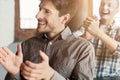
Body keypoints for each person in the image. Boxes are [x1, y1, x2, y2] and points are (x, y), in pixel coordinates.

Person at [0, 0, 95, 80]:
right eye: (40, 9)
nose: (37, 16)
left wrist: (51, 75)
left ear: (64, 18)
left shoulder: (83, 49)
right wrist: (16, 73)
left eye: (46, 11)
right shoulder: (26, 45)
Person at [81, 0, 120, 79]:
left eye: (109, 5)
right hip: (86, 77)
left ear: (117, 9)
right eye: (102, 4)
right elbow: (71, 47)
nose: (104, 7)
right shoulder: (88, 26)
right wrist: (85, 37)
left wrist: (98, 32)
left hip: (111, 77)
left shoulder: (118, 30)